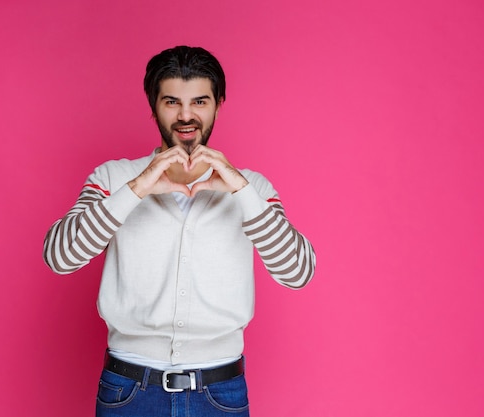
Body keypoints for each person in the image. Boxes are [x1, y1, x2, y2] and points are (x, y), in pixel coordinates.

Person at [43, 45, 316, 417]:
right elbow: (59, 258)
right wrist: (138, 188)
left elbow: (298, 273)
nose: (186, 116)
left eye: (200, 102)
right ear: (153, 105)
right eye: (171, 102)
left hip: (220, 393)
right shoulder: (114, 178)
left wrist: (241, 190)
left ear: (219, 103)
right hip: (128, 391)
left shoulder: (253, 188)